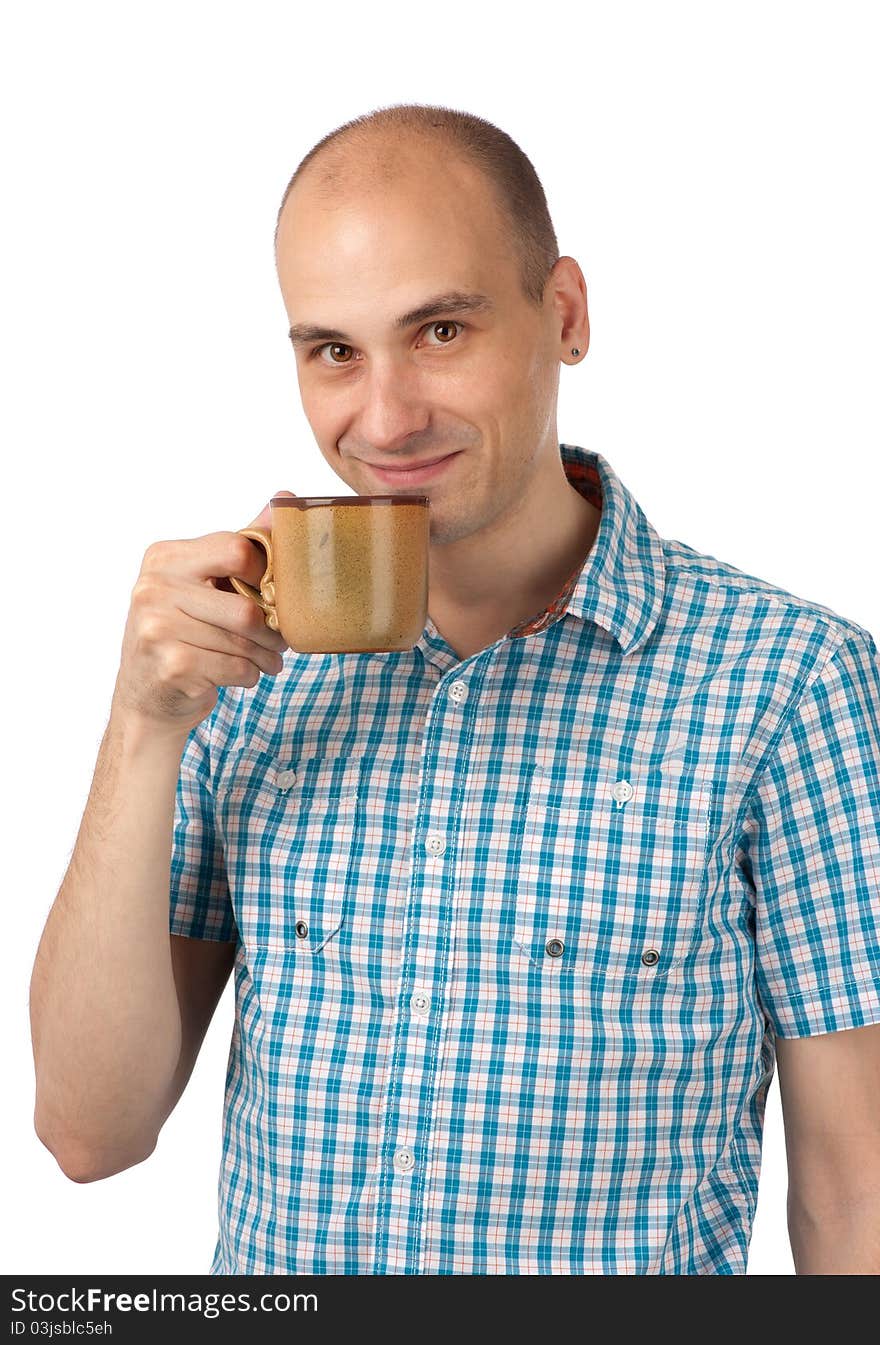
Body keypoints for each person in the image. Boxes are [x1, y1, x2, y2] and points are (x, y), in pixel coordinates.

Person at [29, 103, 880, 1277]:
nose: (382, 419)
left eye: (437, 330)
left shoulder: (788, 687)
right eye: (333, 349)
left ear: (565, 314)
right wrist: (140, 727)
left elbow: (852, 1196)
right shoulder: (238, 673)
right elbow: (89, 1131)